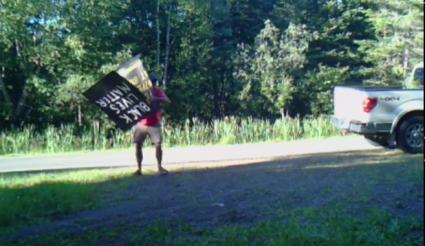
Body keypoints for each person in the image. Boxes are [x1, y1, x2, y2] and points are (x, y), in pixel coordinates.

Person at [133, 74, 170, 176]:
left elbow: (167, 100)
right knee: (138, 145)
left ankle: (159, 166)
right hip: (141, 123)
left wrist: (156, 99)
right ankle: (139, 169)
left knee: (158, 145)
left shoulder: (158, 91)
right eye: (151, 82)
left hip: (154, 122)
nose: (152, 84)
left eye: (154, 82)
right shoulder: (141, 91)